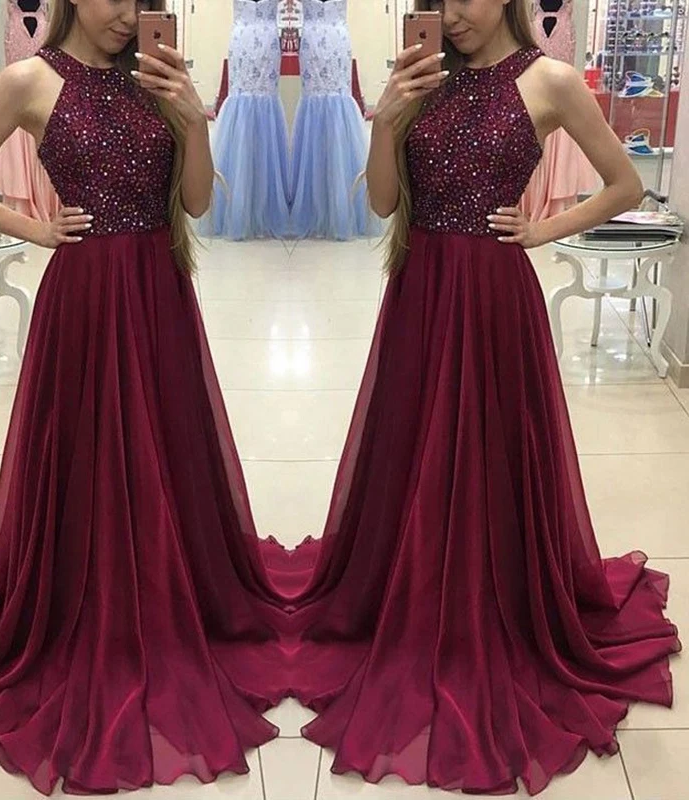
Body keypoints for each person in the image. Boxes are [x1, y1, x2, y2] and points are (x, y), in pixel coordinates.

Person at [279, 0, 682, 794]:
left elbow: (625, 182)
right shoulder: (421, 76)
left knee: (490, 458)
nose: (453, 14)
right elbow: (383, 203)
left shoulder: (551, 80)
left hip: (495, 297)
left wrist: (544, 230)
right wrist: (387, 117)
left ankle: (491, 603)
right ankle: (413, 595)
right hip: (420, 292)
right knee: (413, 452)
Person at [0, 0, 292, 793]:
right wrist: (36, 230)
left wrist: (193, 119)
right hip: (84, 298)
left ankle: (169, 592)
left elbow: (197, 203)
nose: (126, 14)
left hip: (159, 292)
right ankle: (91, 603)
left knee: (165, 450)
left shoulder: (156, 76)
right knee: (89, 457)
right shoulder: (28, 81)